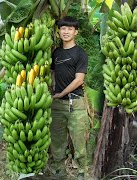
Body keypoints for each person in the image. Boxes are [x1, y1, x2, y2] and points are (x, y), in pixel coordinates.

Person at [49, 16, 89, 179]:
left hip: (75, 103)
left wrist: (60, 93)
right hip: (57, 105)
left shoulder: (80, 53)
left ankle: (82, 171)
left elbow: (79, 79)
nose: (66, 31)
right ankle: (60, 170)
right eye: (63, 28)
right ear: (58, 32)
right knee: (57, 140)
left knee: (79, 140)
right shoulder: (56, 53)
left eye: (69, 29)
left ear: (75, 32)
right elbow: (52, 73)